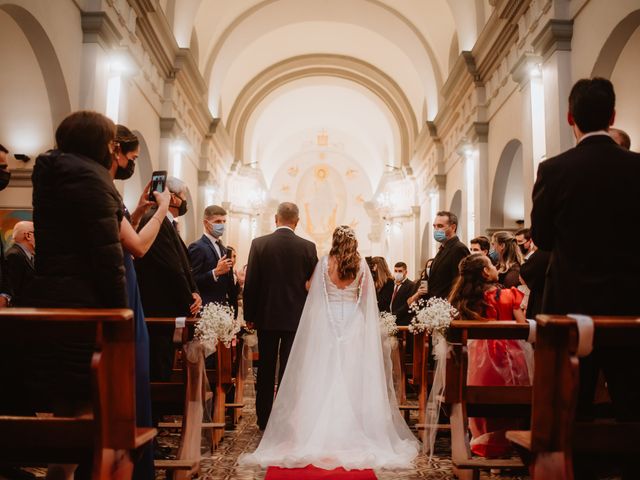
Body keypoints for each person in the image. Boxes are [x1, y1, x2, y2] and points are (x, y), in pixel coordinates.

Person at [241, 225, 419, 470]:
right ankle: (353, 427)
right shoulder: (361, 265)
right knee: (353, 374)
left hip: (328, 322)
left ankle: (318, 429)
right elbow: (367, 296)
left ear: (334, 241)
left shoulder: (325, 263)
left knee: (323, 373)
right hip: (353, 323)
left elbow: (309, 288)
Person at [531, 77, 640, 443]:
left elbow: (543, 239)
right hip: (630, 305)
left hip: (570, 306)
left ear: (569, 117)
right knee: (632, 405)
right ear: (612, 115)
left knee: (571, 409)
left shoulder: (554, 170)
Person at [28, 110, 128, 480]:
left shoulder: (51, 175)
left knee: (65, 404)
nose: (112, 149)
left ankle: (61, 472)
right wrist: (122, 317)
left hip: (53, 300)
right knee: (89, 403)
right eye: (110, 142)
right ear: (98, 143)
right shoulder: (92, 180)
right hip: (86, 305)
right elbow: (107, 258)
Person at [110, 124, 171, 474]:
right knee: (131, 374)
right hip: (122, 288)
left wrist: (136, 210)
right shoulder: (100, 190)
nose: (133, 163)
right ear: (115, 151)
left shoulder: (108, 195)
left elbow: (124, 234)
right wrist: (159, 210)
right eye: (132, 158)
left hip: (126, 281)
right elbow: (138, 246)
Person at [243, 202, 318, 430]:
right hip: (295, 319)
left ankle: (264, 419)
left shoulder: (259, 244)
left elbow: (251, 282)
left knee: (265, 368)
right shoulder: (308, 247)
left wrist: (250, 314)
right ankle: (286, 419)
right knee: (289, 369)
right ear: (297, 221)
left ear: (276, 219)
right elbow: (312, 285)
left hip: (266, 317)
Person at [448, 254, 531, 457]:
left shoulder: (467, 300)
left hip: (479, 357)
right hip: (510, 355)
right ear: (486, 272)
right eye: (492, 265)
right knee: (513, 398)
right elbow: (523, 327)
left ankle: (484, 445)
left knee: (480, 399)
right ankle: (508, 444)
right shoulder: (508, 295)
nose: (495, 268)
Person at [134, 176, 201, 381]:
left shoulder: (165, 222)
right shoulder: (156, 220)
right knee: (158, 364)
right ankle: (156, 410)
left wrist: (194, 292)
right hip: (159, 307)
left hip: (165, 307)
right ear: (172, 198)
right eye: (183, 196)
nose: (185, 201)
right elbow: (171, 267)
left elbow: (181, 265)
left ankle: (159, 410)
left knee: (163, 362)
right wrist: (190, 301)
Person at [187, 205, 236, 313]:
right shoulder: (197, 247)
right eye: (218, 221)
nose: (222, 225)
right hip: (205, 308)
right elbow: (191, 280)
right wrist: (215, 272)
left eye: (224, 221)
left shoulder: (223, 248)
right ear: (206, 223)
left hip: (222, 308)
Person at [427, 211, 469, 299]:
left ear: (453, 227)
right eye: (434, 226)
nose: (436, 229)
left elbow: (460, 282)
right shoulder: (443, 248)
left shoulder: (458, 249)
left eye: (440, 226)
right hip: (437, 305)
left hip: (448, 305)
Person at [4, 221, 35, 306]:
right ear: (28, 235)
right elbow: (11, 291)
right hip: (20, 313)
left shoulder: (23, 254)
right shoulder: (14, 255)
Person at [388, 262, 415, 326]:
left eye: (400, 271)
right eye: (395, 271)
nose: (397, 273)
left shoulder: (411, 285)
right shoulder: (390, 284)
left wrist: (393, 316)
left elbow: (407, 305)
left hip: (402, 321)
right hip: (388, 320)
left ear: (405, 272)